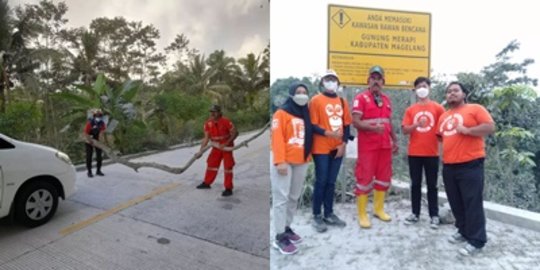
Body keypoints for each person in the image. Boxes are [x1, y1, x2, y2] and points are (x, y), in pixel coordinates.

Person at [438, 82, 495, 256]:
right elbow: (440, 139)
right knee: (456, 202)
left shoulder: (475, 109)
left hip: (471, 164)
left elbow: (490, 127)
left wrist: (467, 130)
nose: (451, 94)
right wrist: (442, 159)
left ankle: (477, 241)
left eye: (456, 90)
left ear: (464, 94)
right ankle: (462, 231)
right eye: (448, 92)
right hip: (449, 165)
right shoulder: (443, 116)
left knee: (472, 203)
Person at [351, 65, 398, 229]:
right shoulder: (361, 98)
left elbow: (389, 122)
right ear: (368, 81)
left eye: (379, 78)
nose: (376, 81)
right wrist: (372, 128)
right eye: (373, 78)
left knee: (383, 177)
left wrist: (395, 140)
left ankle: (378, 209)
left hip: (385, 145)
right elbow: (355, 121)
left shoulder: (386, 99)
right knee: (364, 178)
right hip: (368, 147)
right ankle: (362, 214)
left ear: (383, 82)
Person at [270, 82, 313, 255]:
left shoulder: (305, 114)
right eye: (298, 92)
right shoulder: (281, 113)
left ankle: (287, 227)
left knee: (294, 197)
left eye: (304, 92)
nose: (302, 95)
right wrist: (280, 161)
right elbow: (277, 138)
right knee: (281, 198)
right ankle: (279, 237)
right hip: (284, 161)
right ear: (291, 94)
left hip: (301, 160)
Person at [309, 69, 352, 232]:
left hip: (337, 147)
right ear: (322, 82)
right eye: (328, 79)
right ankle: (316, 215)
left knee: (331, 181)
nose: (331, 82)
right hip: (321, 147)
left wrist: (343, 144)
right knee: (321, 180)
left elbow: (347, 124)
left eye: (333, 79)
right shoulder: (316, 100)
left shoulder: (342, 102)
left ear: (338, 83)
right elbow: (313, 124)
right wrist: (327, 133)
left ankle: (329, 213)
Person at [401, 77, 445, 229]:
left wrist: (443, 151)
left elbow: (444, 129)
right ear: (415, 89)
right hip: (414, 153)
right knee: (415, 184)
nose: (422, 89)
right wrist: (415, 125)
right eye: (419, 86)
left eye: (424, 86)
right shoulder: (410, 110)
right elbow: (405, 130)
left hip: (432, 153)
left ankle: (434, 215)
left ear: (429, 88)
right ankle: (415, 213)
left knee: (432, 185)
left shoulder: (438, 108)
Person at [195, 104, 238, 197]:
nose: (212, 113)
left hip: (226, 147)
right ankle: (207, 183)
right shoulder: (208, 123)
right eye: (211, 112)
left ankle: (228, 188)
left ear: (219, 112)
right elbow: (206, 138)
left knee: (228, 167)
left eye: (214, 112)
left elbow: (235, 133)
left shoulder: (226, 121)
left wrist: (226, 144)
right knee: (211, 164)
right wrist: (200, 151)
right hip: (215, 147)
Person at [83, 109, 106, 177]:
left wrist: (101, 142)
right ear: (94, 116)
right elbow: (86, 133)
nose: (98, 117)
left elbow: (101, 133)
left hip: (97, 138)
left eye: (100, 116)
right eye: (97, 115)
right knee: (89, 156)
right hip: (88, 138)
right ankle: (89, 172)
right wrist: (90, 141)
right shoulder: (90, 123)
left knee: (99, 156)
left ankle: (98, 171)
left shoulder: (102, 123)